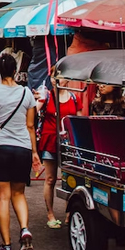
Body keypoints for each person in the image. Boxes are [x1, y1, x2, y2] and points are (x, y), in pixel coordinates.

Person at [0, 53, 39, 250]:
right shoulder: (27, 94)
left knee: (2, 197)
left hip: (1, 148)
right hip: (23, 148)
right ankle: (24, 229)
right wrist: (34, 152)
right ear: (15, 71)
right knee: (19, 194)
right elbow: (31, 126)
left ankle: (6, 247)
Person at [37, 77, 84, 228]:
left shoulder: (74, 98)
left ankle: (69, 213)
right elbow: (32, 111)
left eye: (60, 77)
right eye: (53, 76)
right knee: (50, 179)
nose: (56, 80)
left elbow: (79, 121)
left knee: (69, 179)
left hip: (68, 143)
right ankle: (50, 213)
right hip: (49, 139)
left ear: (68, 79)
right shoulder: (47, 96)